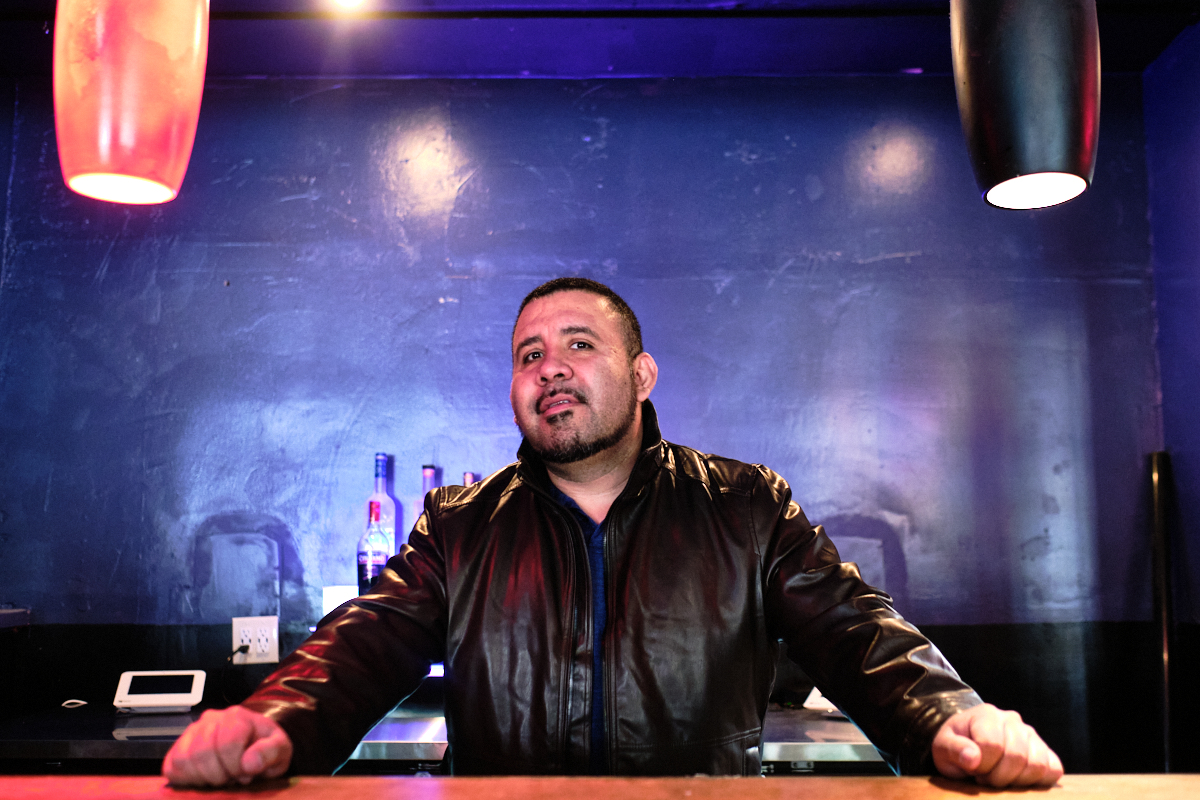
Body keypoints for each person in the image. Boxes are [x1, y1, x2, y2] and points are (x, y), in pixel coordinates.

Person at [164, 278, 1063, 788]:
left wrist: (953, 718)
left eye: (579, 345)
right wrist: (272, 720)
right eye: (528, 355)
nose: (550, 367)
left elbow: (858, 632)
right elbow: (358, 648)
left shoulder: (746, 507)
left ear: (641, 374)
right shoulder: (461, 526)